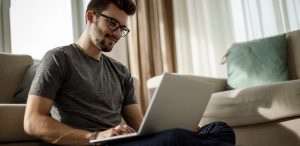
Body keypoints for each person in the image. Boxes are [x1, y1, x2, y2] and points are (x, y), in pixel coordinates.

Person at [24, 0, 235, 145]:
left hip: (124, 141)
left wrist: (179, 124)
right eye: (112, 23)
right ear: (91, 16)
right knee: (176, 139)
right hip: (95, 143)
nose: (116, 34)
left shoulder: (120, 71)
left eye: (122, 28)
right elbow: (32, 121)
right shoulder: (59, 59)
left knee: (220, 129)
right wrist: (96, 136)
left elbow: (138, 123)